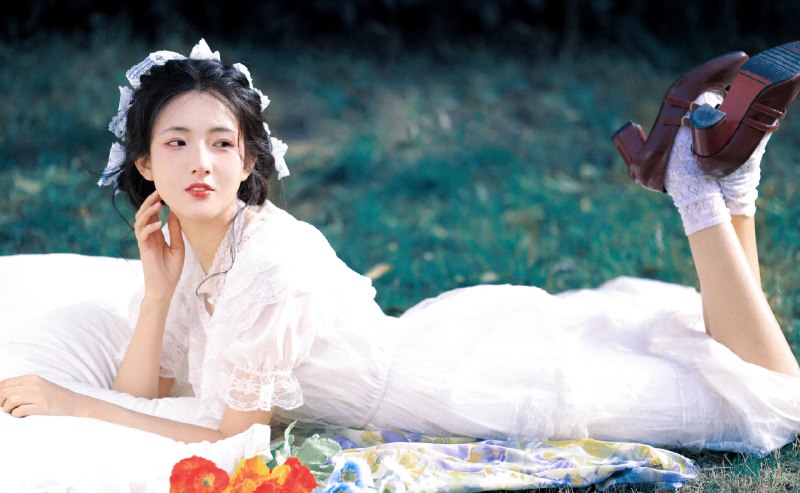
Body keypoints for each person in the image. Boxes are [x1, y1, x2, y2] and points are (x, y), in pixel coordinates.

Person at [2, 39, 800, 456]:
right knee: (732, 354)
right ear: (145, 163)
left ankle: (695, 183)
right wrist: (156, 290)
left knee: (772, 397)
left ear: (248, 160)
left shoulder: (268, 261)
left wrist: (74, 403)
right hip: (447, 338)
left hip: (468, 391)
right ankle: (726, 172)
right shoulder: (197, 249)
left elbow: (235, 441)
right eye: (177, 143)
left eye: (220, 142)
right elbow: (149, 392)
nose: (201, 162)